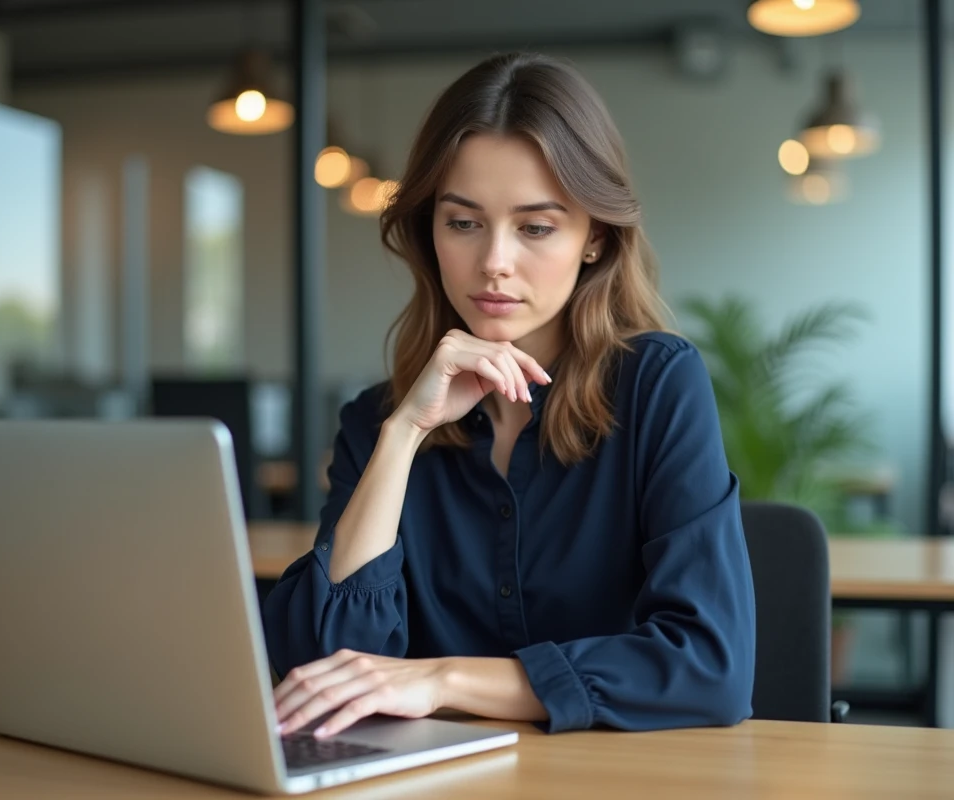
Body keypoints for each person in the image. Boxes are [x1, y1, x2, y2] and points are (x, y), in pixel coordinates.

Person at [263, 52, 755, 738]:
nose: (494, 261)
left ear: (594, 237)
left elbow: (709, 665)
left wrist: (443, 678)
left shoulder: (656, 384)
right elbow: (324, 673)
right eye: (463, 222)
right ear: (430, 232)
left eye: (536, 227)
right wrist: (403, 435)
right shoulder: (377, 422)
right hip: (428, 779)